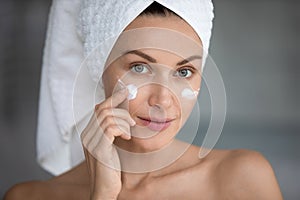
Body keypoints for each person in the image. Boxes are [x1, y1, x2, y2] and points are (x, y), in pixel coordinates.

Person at [4, 1, 283, 199]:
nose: (163, 99)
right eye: (139, 67)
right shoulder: (30, 196)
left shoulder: (241, 179)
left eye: (184, 72)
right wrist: (102, 195)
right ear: (99, 67)